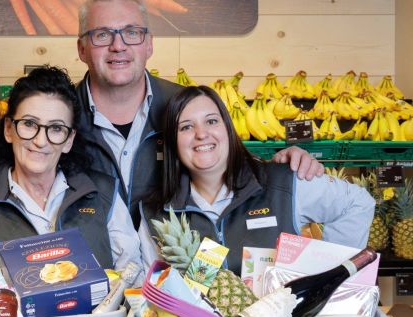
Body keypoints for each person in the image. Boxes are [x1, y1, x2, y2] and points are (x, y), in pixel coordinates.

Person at [74, 0, 324, 226]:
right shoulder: (60, 118)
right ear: (82, 49)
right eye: (102, 34)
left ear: (149, 44)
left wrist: (283, 163)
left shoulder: (186, 107)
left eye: (131, 32)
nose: (118, 46)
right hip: (85, 265)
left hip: (179, 265)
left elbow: (234, 168)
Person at [139, 85, 375, 273]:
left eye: (211, 121)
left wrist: (326, 277)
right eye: (186, 127)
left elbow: (356, 203)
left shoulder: (284, 183)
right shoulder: (156, 215)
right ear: (173, 143)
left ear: (228, 129)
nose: (201, 134)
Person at [0, 66, 141, 272]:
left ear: (69, 140)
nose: (41, 141)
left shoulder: (104, 195)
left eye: (56, 128)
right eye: (29, 124)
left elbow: (133, 277)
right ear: (8, 129)